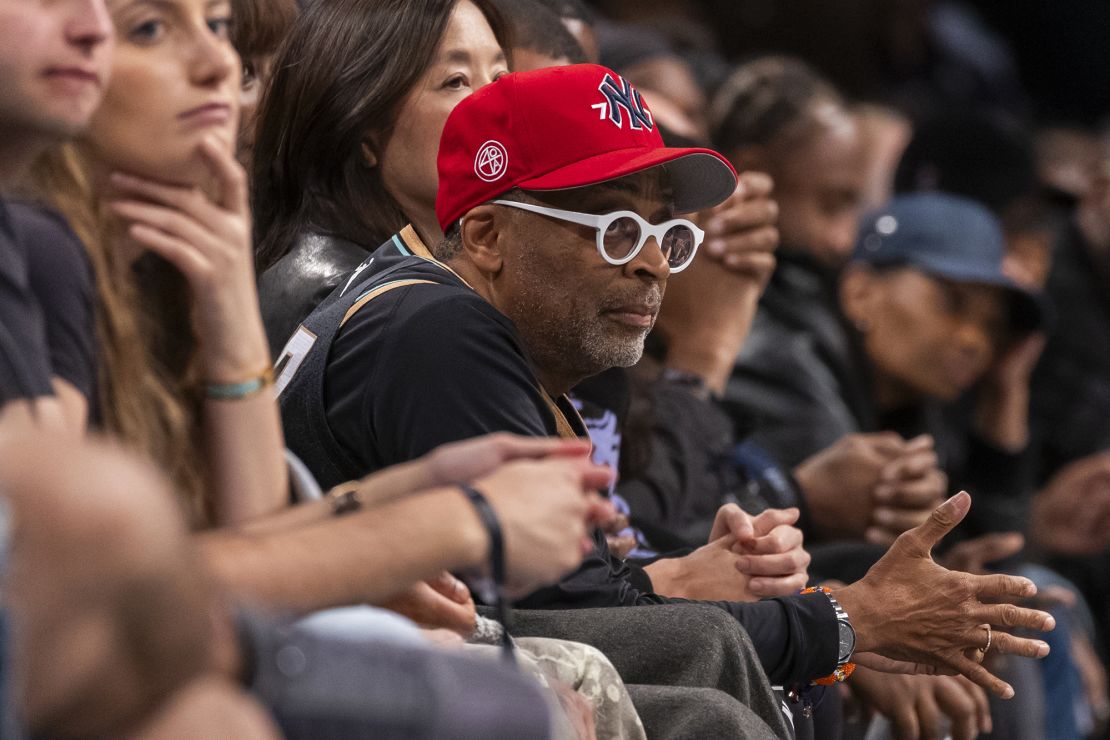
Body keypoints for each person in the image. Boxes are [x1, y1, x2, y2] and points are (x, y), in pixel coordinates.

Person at [279, 63, 1056, 701]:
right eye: (615, 228)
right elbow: (566, 617)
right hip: (313, 676)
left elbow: (572, 597)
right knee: (713, 668)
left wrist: (679, 576)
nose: (652, 262)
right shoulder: (437, 331)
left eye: (667, 234)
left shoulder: (487, 338)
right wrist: (850, 620)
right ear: (486, 235)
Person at [253, 0, 510, 355]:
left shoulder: (431, 281)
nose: (499, 103)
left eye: (500, 76)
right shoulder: (349, 303)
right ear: (362, 134)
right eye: (456, 82)